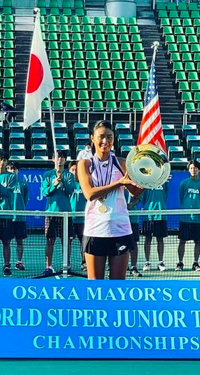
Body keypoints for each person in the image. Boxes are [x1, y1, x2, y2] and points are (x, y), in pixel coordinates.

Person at [77, 120, 144, 280]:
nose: (105, 141)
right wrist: (118, 183)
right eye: (101, 137)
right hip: (95, 230)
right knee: (95, 288)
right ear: (92, 138)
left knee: (118, 287)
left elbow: (135, 191)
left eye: (109, 137)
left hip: (120, 229)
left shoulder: (122, 163)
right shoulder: (84, 164)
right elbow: (90, 194)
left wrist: (149, 179)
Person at [41, 150, 76, 276]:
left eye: (62, 157)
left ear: (65, 160)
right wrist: (54, 184)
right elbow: (45, 192)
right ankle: (48, 266)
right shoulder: (47, 175)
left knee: (66, 241)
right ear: (53, 159)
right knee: (50, 240)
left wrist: (63, 181)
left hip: (65, 213)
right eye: (57, 157)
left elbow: (70, 191)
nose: (59, 159)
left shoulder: (69, 175)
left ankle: (66, 265)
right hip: (51, 212)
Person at [176, 160, 200, 271]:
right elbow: (181, 198)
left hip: (198, 218)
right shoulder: (183, 184)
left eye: (195, 168)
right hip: (185, 218)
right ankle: (180, 263)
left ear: (198, 169)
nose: (193, 170)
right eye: (191, 168)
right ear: (188, 170)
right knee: (182, 241)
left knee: (197, 241)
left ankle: (195, 263)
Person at [141, 177, 170, 272]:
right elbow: (143, 198)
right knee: (147, 239)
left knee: (160, 239)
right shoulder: (145, 182)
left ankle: (160, 262)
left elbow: (165, 195)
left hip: (161, 214)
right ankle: (147, 262)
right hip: (148, 214)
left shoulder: (164, 182)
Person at [7, 161, 29, 271]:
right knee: (7, 241)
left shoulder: (23, 184)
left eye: (14, 169)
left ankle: (19, 262)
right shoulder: (4, 183)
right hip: (7, 217)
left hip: (19, 217)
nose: (12, 171)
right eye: (10, 168)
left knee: (19, 241)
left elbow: (24, 200)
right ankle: (7, 263)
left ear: (18, 171)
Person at [69, 160, 87, 271]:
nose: (75, 172)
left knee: (84, 242)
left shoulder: (84, 183)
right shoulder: (68, 184)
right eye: (73, 170)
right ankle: (68, 264)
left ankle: (84, 263)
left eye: (77, 170)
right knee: (68, 241)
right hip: (69, 218)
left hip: (83, 218)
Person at [126, 190, 142, 277]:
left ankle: (133, 267)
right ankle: (121, 266)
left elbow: (139, 197)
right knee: (119, 244)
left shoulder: (135, 183)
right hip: (119, 217)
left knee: (133, 243)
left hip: (133, 218)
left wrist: (131, 205)